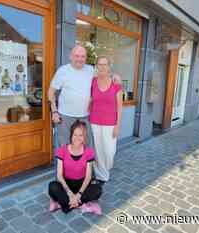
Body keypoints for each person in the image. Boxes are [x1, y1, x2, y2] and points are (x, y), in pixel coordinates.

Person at [48, 45, 120, 149]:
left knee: (86, 146)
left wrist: (114, 76)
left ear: (86, 58)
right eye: (77, 56)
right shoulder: (62, 71)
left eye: (83, 56)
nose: (80, 59)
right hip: (65, 117)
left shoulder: (91, 70)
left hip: (85, 117)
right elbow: (51, 92)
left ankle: (84, 166)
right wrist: (54, 111)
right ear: (71, 56)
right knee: (64, 146)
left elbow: (104, 73)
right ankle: (63, 166)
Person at [48, 120, 102, 214]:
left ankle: (63, 204)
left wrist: (78, 195)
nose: (77, 138)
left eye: (80, 135)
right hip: (66, 184)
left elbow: (88, 176)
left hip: (81, 185)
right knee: (53, 186)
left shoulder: (89, 152)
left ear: (84, 137)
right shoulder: (62, 151)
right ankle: (83, 205)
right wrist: (69, 192)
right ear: (71, 135)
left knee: (97, 189)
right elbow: (59, 175)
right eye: (75, 135)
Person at [89, 56, 123, 184]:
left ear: (109, 66)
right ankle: (101, 175)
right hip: (95, 121)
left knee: (109, 151)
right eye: (100, 64)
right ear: (96, 66)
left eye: (105, 64)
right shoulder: (93, 81)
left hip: (110, 124)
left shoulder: (116, 84)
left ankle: (105, 169)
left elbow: (120, 107)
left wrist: (117, 126)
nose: (102, 67)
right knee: (98, 150)